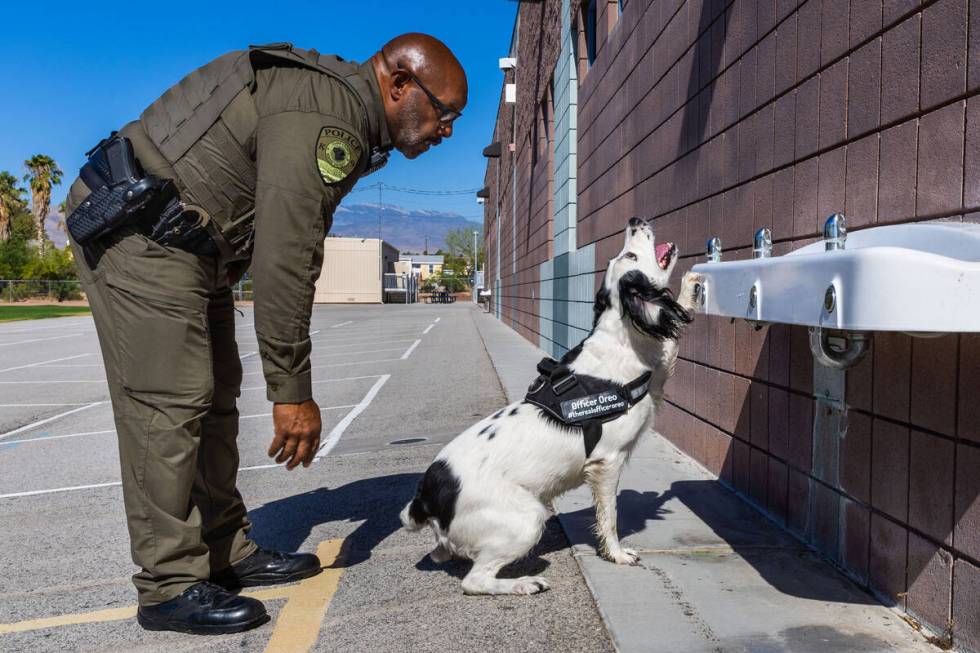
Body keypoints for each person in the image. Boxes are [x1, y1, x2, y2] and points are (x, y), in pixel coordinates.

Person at [63, 33, 467, 635]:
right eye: (444, 112)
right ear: (400, 84)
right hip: (137, 235)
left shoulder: (339, 109)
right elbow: (287, 256)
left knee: (216, 395)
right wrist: (292, 390)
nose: (445, 131)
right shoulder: (331, 119)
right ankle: (168, 583)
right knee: (168, 404)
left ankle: (224, 552)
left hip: (190, 245)